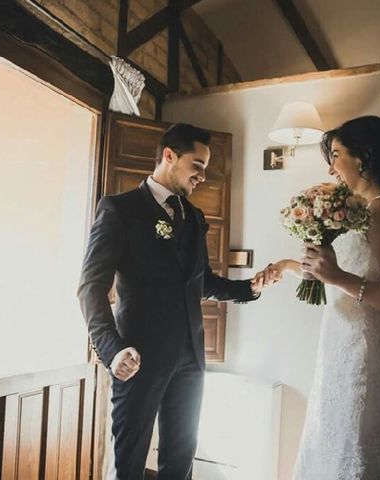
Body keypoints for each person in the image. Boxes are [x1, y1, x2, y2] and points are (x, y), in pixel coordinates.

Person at [78, 123, 276, 480]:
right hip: (138, 356)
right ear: (169, 155)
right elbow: (90, 287)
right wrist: (112, 349)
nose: (203, 176)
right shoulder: (120, 210)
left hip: (190, 358)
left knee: (181, 458)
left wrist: (251, 288)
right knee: (129, 460)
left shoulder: (195, 217)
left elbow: (202, 282)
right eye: (196, 165)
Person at [269, 115, 380, 479]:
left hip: (363, 355)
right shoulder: (357, 212)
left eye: (336, 154)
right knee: (327, 449)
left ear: (363, 157)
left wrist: (337, 276)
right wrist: (291, 266)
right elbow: (347, 274)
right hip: (339, 347)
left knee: (351, 454)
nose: (331, 167)